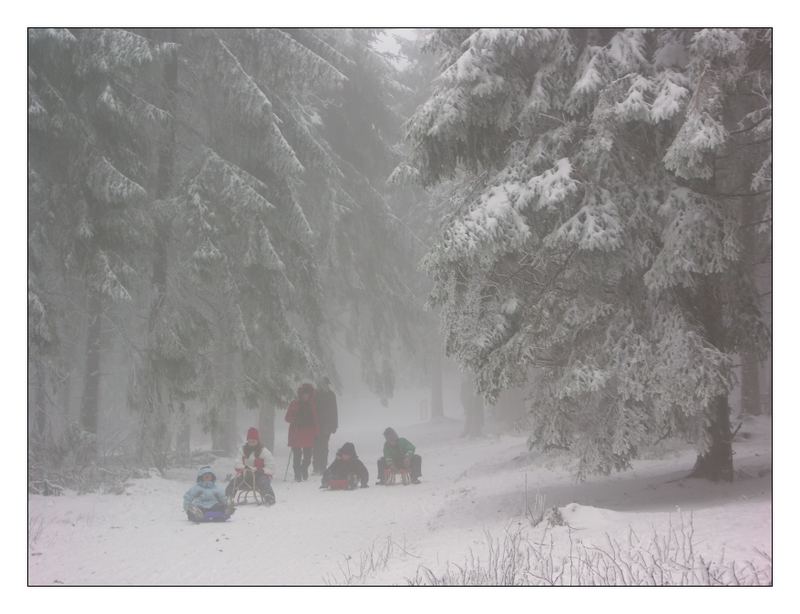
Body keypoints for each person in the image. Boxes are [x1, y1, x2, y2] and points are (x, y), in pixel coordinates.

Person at [225, 427, 276, 505]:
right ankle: (228, 496)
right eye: (250, 441)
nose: (251, 443)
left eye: (254, 441)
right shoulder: (242, 450)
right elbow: (237, 463)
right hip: (245, 475)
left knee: (263, 481)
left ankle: (269, 497)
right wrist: (245, 468)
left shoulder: (264, 452)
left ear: (257, 441)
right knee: (234, 481)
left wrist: (260, 470)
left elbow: (271, 467)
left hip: (259, 475)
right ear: (247, 441)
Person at [285, 382, 319, 481]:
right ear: (301, 394)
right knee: (297, 455)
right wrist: (295, 420)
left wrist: (317, 432)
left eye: (307, 394)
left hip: (308, 433)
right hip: (297, 432)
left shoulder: (312, 405)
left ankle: (303, 469)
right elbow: (287, 418)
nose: (305, 396)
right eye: (304, 394)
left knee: (308, 456)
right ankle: (297, 474)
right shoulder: (294, 404)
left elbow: (315, 420)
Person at [312, 376, 339, 475]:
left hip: (327, 425)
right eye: (322, 384)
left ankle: (322, 467)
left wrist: (334, 425)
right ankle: (316, 467)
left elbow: (334, 411)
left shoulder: (331, 395)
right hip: (316, 424)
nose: (324, 386)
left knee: (324, 446)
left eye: (325, 384)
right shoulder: (315, 395)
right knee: (315, 446)